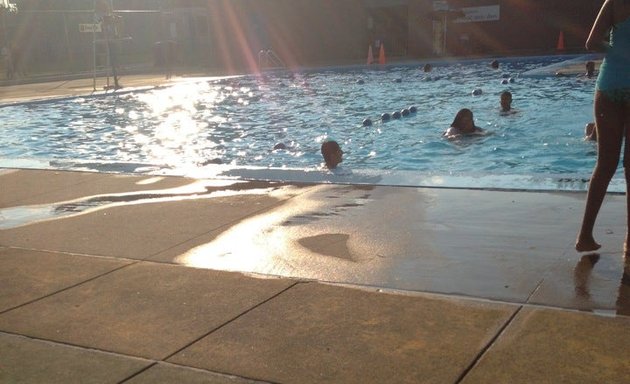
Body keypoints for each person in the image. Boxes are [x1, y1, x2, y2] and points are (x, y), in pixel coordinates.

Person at [576, 0, 630, 253]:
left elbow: (591, 43)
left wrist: (619, 52)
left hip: (608, 87)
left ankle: (584, 236)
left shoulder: (614, 3)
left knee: (605, 164)